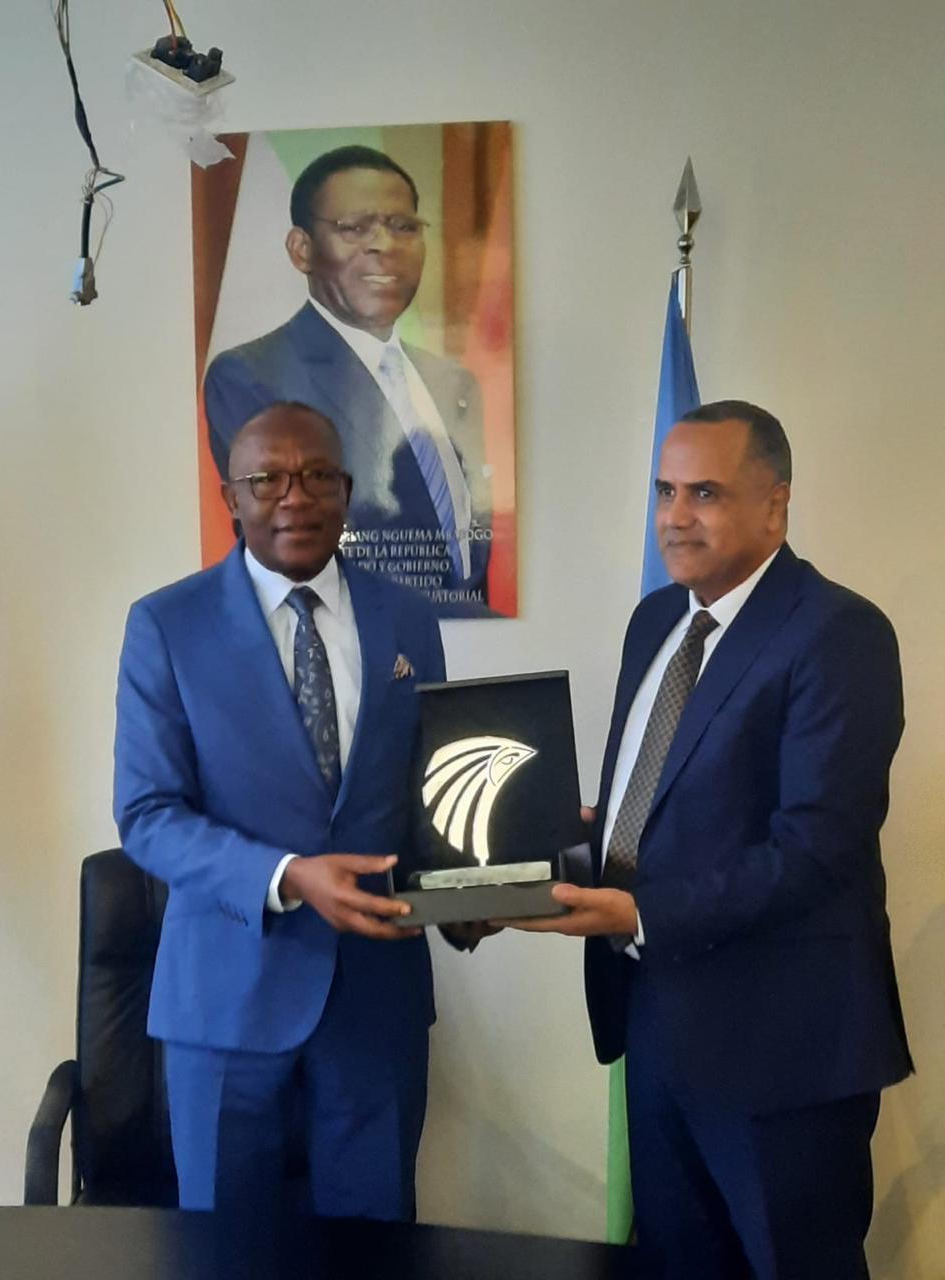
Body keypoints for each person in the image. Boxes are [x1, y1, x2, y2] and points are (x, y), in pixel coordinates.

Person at [506, 402, 912, 1278]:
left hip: (784, 1052)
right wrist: (563, 840)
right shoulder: (656, 620)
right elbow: (660, 801)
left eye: (705, 493)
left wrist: (637, 911)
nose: (675, 516)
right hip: (657, 1025)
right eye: (664, 491)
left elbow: (815, 849)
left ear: (776, 506)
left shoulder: (838, 633)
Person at [114, 401, 455, 1220]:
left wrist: (480, 878)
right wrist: (288, 876)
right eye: (267, 479)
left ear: (347, 491)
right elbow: (147, 812)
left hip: (376, 998)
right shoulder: (167, 624)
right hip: (224, 998)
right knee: (223, 1253)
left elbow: (426, 787)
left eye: (317, 476)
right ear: (231, 497)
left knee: (374, 1246)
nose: (294, 497)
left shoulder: (408, 618)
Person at [203, 145, 493, 615]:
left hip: (457, 632)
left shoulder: (454, 382)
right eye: (355, 227)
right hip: (350, 634)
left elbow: (472, 529)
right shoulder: (253, 373)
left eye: (403, 226)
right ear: (302, 250)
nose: (384, 245)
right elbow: (284, 535)